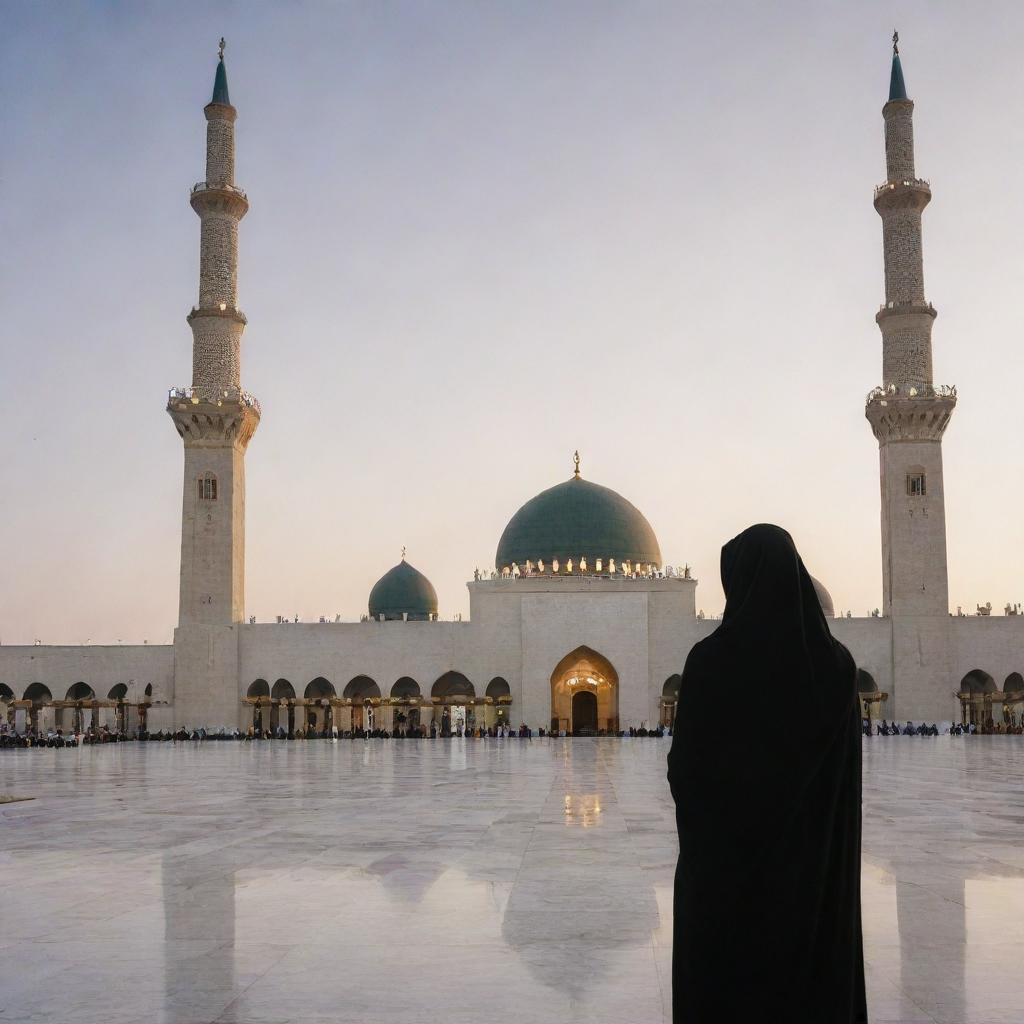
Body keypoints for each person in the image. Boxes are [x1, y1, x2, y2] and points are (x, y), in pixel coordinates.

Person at [667, 524, 867, 1023]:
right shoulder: (838, 669)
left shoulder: (711, 661)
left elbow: (685, 773)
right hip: (813, 880)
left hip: (726, 880)